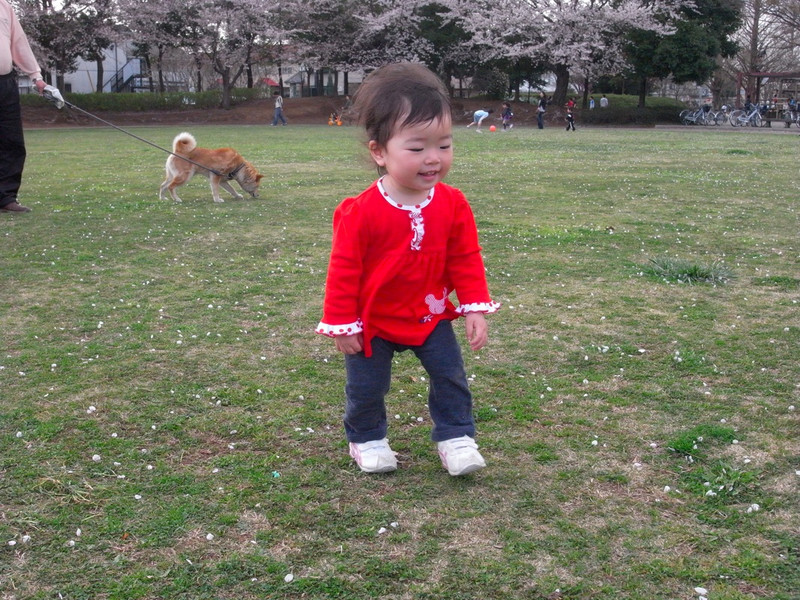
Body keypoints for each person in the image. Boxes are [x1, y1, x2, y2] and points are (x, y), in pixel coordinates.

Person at [316, 62, 499, 477]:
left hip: (429, 314)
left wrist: (474, 307)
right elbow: (343, 270)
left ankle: (456, 437)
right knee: (367, 386)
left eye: (444, 145)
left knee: (450, 375)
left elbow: (465, 257)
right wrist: (342, 323)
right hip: (373, 319)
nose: (433, 158)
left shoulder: (453, 203)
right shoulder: (359, 212)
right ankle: (367, 438)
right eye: (417, 149)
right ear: (379, 152)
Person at [1, 0, 46, 214]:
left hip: (5, 82)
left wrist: (35, 75)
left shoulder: (4, 7)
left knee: (12, 142)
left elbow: (18, 42)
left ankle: (5, 197)